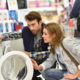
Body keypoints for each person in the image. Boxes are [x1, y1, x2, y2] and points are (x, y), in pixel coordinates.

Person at [0, 11, 50, 80]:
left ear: (40, 22)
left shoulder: (49, 31)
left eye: (33, 24)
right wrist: (2, 37)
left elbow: (50, 53)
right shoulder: (26, 30)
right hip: (31, 62)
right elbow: (14, 34)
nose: (31, 28)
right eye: (29, 25)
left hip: (47, 63)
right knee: (21, 76)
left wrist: (30, 54)